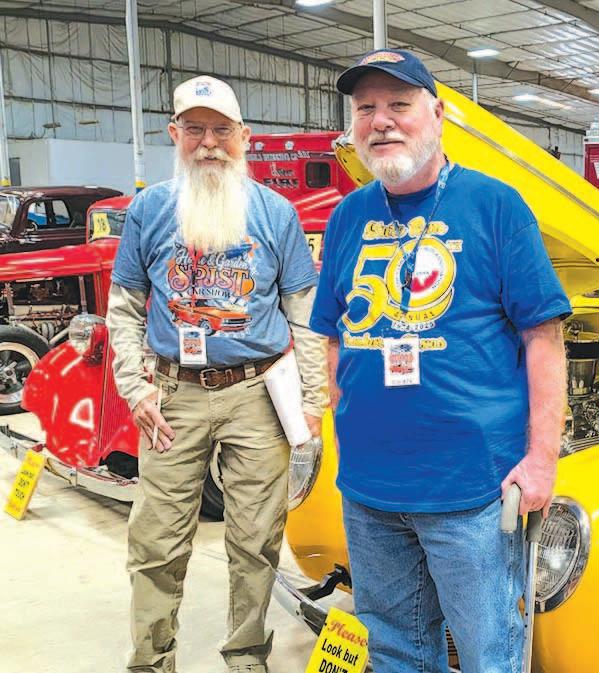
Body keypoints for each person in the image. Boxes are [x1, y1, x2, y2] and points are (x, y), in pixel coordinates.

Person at [310, 49, 570, 673]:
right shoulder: (347, 216)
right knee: (392, 649)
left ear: (438, 114)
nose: (381, 121)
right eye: (365, 108)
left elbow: (544, 336)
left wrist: (542, 458)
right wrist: (340, 416)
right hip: (370, 489)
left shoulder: (496, 206)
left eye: (399, 104)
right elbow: (334, 334)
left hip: (471, 489)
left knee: (489, 652)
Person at [107, 75, 327, 673]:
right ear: (174, 134)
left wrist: (313, 402)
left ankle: (246, 655)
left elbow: (304, 312)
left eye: (222, 130)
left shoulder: (276, 213)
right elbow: (124, 307)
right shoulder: (150, 210)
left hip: (257, 395)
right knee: (156, 539)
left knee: (257, 537)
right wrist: (135, 388)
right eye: (196, 130)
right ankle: (151, 660)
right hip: (172, 396)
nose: (209, 143)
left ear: (244, 136)